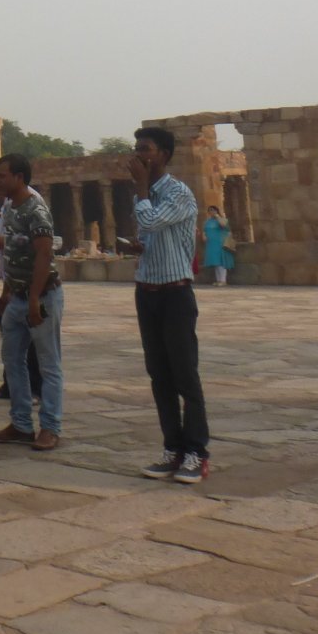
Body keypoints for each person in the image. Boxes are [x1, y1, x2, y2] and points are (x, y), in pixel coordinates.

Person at [130, 126, 211, 484]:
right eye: (137, 149)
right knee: (159, 375)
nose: (139, 155)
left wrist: (141, 190)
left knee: (184, 375)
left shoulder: (178, 193)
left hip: (175, 293)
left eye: (145, 149)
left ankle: (197, 452)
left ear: (163, 154)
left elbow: (150, 219)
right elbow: (148, 234)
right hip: (147, 290)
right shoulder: (143, 194)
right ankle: (172, 448)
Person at [0, 153, 63, 452]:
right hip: (17, 295)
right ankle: (20, 424)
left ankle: (51, 427)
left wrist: (32, 299)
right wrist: (7, 293)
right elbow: (17, 251)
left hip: (41, 296)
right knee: (12, 359)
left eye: (2, 176)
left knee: (48, 363)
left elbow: (44, 254)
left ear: (19, 177)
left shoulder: (35, 209)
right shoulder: (11, 209)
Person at [201, 206, 234, 286]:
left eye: (213, 210)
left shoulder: (222, 219)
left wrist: (218, 216)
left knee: (221, 261)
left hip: (220, 242)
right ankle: (218, 280)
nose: (211, 212)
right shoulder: (207, 221)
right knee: (215, 262)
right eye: (210, 210)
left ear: (217, 211)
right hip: (211, 243)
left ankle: (223, 280)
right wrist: (204, 236)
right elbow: (204, 230)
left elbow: (223, 225)